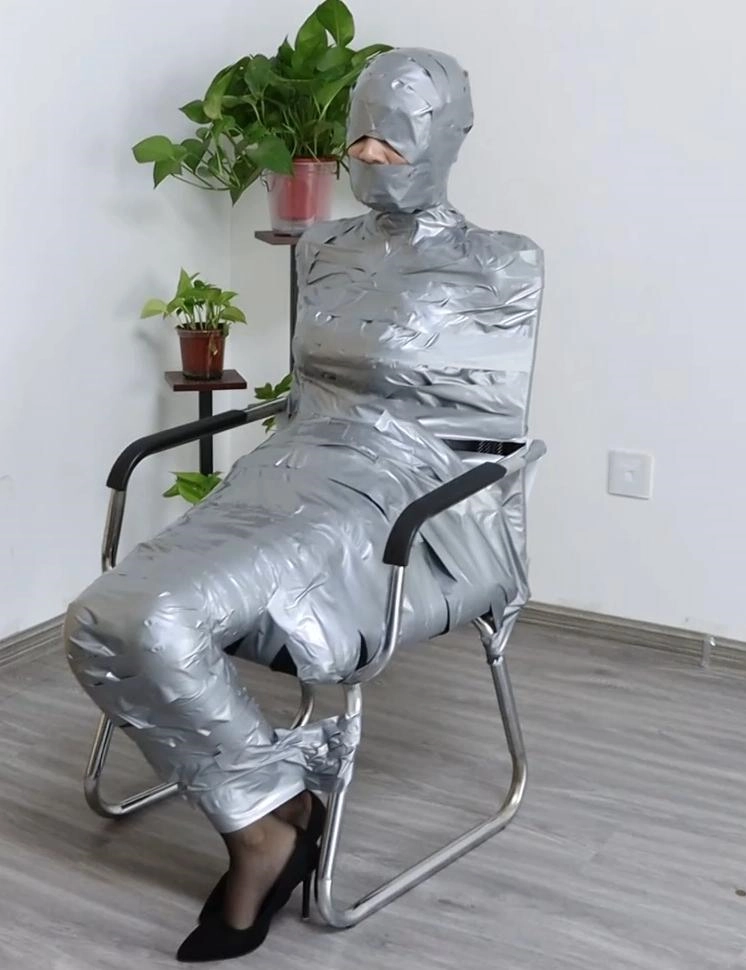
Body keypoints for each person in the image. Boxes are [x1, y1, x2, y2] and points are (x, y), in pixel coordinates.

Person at [64, 48, 543, 962]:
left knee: (160, 620)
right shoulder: (320, 249)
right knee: (102, 616)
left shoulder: (500, 263)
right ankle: (281, 804)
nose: (370, 157)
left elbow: (487, 431)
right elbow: (305, 390)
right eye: (359, 139)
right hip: (289, 467)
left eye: (393, 142)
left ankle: (259, 842)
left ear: (446, 138)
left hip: (404, 490)